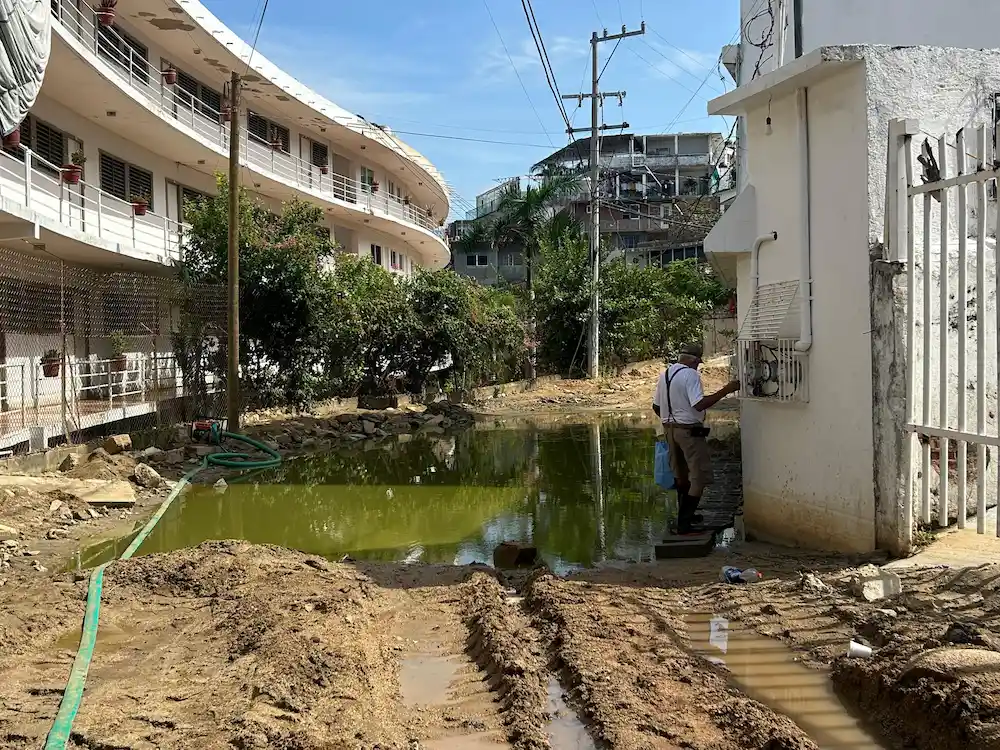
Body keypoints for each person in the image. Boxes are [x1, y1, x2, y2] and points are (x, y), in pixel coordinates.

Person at [652, 344, 740, 534]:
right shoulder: (690, 375)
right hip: (689, 432)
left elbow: (656, 407)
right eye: (698, 363)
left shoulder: (665, 375)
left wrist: (671, 419)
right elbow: (699, 404)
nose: (698, 366)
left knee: (681, 477)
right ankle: (684, 524)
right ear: (692, 360)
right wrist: (727, 390)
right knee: (698, 477)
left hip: (670, 431)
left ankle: (686, 518)